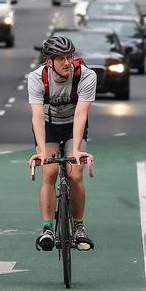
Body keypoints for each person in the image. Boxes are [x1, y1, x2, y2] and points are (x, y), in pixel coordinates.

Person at [27, 36, 97, 252]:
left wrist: (76, 150)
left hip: (72, 127)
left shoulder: (86, 76)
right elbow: (37, 116)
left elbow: (81, 114)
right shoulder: (37, 77)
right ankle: (47, 229)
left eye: (69, 57)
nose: (67, 63)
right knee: (48, 173)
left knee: (75, 175)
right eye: (60, 59)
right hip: (48, 126)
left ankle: (79, 227)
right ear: (49, 62)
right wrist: (40, 151)